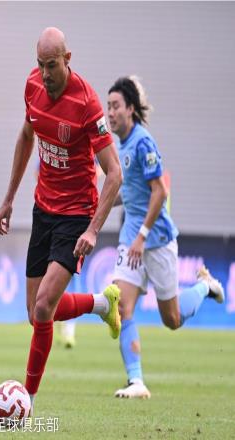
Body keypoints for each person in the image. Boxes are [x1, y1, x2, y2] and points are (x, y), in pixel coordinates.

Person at [0, 27, 123, 411]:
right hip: (43, 209)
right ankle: (101, 304)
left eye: (51, 65)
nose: (45, 73)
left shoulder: (87, 103)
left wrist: (93, 229)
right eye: (40, 65)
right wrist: (8, 199)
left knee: (43, 307)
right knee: (35, 313)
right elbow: (26, 137)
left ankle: (27, 401)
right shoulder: (32, 86)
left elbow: (114, 173)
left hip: (76, 215)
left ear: (67, 59)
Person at [107, 76, 225, 399]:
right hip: (131, 239)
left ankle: (205, 286)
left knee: (171, 319)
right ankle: (136, 381)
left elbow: (160, 191)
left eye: (116, 106)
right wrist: (99, 204)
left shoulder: (143, 142)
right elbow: (130, 193)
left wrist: (142, 236)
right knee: (122, 307)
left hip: (155, 239)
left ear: (131, 109)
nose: (110, 113)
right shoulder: (121, 146)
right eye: (108, 107)